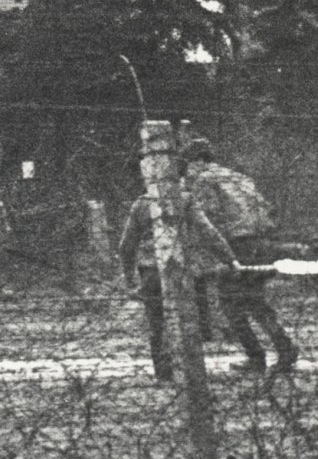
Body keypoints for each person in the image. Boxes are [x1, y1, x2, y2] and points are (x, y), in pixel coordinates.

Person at [179, 138, 299, 374]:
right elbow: (266, 208)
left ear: (199, 161)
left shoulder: (204, 180)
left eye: (188, 164)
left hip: (237, 245)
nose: (188, 170)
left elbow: (208, 217)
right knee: (255, 300)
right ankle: (284, 347)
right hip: (262, 242)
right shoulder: (240, 177)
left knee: (230, 304)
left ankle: (256, 356)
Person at [118, 186, 239, 382]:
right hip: (183, 267)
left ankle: (164, 373)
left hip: (152, 271)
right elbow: (207, 230)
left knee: (157, 325)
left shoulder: (142, 203)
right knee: (190, 320)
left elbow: (127, 245)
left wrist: (129, 277)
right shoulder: (186, 199)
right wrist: (229, 258)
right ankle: (192, 371)